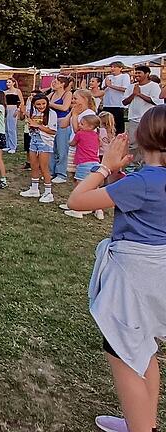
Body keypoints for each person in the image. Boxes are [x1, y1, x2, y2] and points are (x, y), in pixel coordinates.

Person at [66, 105, 166, 432]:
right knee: (144, 348)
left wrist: (104, 166)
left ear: (143, 137)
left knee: (122, 353)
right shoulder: (148, 181)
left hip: (135, 281)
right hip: (158, 277)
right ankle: (143, 423)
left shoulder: (144, 182)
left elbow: (77, 200)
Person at [20, 94, 58, 204]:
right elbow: (24, 118)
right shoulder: (33, 112)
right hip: (34, 139)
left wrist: (37, 125)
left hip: (45, 141)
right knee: (34, 165)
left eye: (43, 104)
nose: (41, 106)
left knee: (44, 167)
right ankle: (34, 188)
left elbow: (53, 131)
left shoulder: (51, 114)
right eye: (38, 104)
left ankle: (48, 192)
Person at [64, 114, 103, 219]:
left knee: (80, 185)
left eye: (82, 124)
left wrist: (68, 142)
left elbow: (73, 143)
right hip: (96, 163)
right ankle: (99, 209)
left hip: (83, 163)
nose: (79, 125)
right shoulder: (96, 135)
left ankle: (78, 210)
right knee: (94, 186)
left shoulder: (80, 134)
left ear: (90, 126)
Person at [122, 66, 164, 159]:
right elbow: (124, 102)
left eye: (139, 73)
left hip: (148, 119)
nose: (136, 75)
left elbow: (157, 101)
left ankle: (145, 162)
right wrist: (133, 94)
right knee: (133, 143)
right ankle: (131, 164)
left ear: (147, 74)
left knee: (147, 142)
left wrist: (139, 94)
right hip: (133, 118)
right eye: (136, 73)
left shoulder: (154, 86)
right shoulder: (131, 86)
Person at [49, 76, 73, 183]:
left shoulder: (67, 94)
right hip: (52, 122)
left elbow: (65, 107)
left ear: (62, 84)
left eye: (56, 82)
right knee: (52, 147)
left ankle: (61, 173)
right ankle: (51, 171)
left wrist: (50, 104)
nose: (53, 83)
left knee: (62, 148)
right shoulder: (52, 94)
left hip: (62, 122)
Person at [102, 61, 131, 135]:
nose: (112, 68)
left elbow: (125, 89)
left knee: (118, 125)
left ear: (120, 68)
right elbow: (102, 89)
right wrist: (106, 85)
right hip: (107, 104)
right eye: (111, 67)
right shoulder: (108, 77)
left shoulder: (125, 76)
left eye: (114, 67)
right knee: (106, 124)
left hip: (118, 104)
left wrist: (111, 86)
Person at [4, 77, 24, 154]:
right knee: (6, 128)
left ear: (13, 83)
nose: (8, 84)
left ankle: (13, 146)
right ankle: (7, 145)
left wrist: (18, 110)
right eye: (7, 82)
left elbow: (22, 102)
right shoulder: (5, 92)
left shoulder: (17, 91)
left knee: (12, 128)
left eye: (9, 82)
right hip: (7, 109)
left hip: (13, 109)